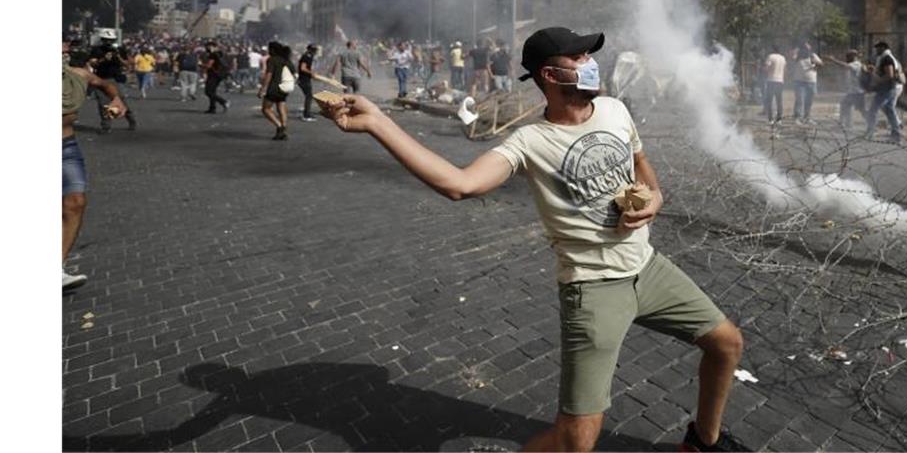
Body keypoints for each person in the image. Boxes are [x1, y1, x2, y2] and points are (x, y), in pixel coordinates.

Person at [319, 27, 747, 452]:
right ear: (550, 75)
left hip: (648, 267)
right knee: (575, 440)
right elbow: (459, 184)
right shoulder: (529, 141)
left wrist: (655, 195)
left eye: (588, 55)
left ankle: (702, 443)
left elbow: (640, 164)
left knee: (726, 343)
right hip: (593, 288)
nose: (589, 63)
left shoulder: (616, 110)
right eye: (577, 58)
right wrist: (378, 123)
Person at [63, 39, 127, 289]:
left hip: (65, 147)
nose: (65, 53)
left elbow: (105, 84)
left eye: (65, 50)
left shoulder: (77, 75)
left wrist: (117, 101)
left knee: (75, 202)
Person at [90, 42, 137, 132]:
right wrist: (103, 59)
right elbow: (93, 64)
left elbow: (128, 63)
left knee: (121, 102)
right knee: (103, 104)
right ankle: (106, 126)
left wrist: (118, 56)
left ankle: (131, 120)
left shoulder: (119, 50)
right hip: (100, 79)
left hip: (114, 79)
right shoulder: (97, 50)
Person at [864, 40, 903, 143]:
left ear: (883, 48)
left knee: (873, 110)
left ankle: (870, 133)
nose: (876, 50)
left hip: (886, 89)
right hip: (890, 88)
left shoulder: (887, 59)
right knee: (889, 110)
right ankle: (896, 135)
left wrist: (878, 80)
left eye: (878, 48)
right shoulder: (887, 58)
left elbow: (889, 75)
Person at [259, 42, 297, 140]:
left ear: (272, 50)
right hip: (284, 88)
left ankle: (279, 126)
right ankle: (283, 128)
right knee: (281, 107)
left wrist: (263, 89)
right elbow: (295, 74)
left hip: (274, 88)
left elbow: (269, 74)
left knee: (265, 109)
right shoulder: (286, 60)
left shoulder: (272, 60)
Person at [826, 50, 868, 130]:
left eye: (848, 56)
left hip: (857, 92)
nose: (847, 58)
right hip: (855, 91)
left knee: (861, 110)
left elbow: (845, 66)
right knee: (845, 105)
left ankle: (872, 122)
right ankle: (846, 124)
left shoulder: (856, 64)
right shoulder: (856, 64)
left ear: (854, 56)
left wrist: (833, 60)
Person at [791, 41, 823, 124]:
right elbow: (792, 57)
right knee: (800, 100)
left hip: (811, 81)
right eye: (805, 46)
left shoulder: (813, 55)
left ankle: (807, 117)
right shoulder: (797, 56)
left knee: (809, 101)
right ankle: (798, 117)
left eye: (808, 46)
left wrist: (815, 63)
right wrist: (797, 49)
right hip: (799, 82)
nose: (808, 48)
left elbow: (821, 64)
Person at [202, 40, 230, 114]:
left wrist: (201, 65)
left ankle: (223, 101)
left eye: (207, 47)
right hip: (220, 75)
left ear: (212, 47)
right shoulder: (221, 54)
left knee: (208, 92)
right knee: (213, 91)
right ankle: (212, 108)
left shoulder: (213, 54)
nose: (206, 49)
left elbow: (209, 65)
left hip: (213, 75)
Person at [762, 44, 786, 125]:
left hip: (771, 80)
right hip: (780, 81)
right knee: (779, 101)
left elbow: (767, 67)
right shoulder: (783, 58)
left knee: (769, 100)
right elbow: (784, 69)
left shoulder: (771, 56)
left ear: (773, 49)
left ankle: (771, 119)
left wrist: (762, 68)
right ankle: (779, 119)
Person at [297, 43, 317, 122]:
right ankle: (306, 114)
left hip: (305, 78)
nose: (314, 51)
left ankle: (307, 112)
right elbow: (303, 68)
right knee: (309, 96)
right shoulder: (307, 56)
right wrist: (311, 73)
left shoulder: (308, 56)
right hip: (304, 79)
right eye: (313, 50)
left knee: (308, 96)